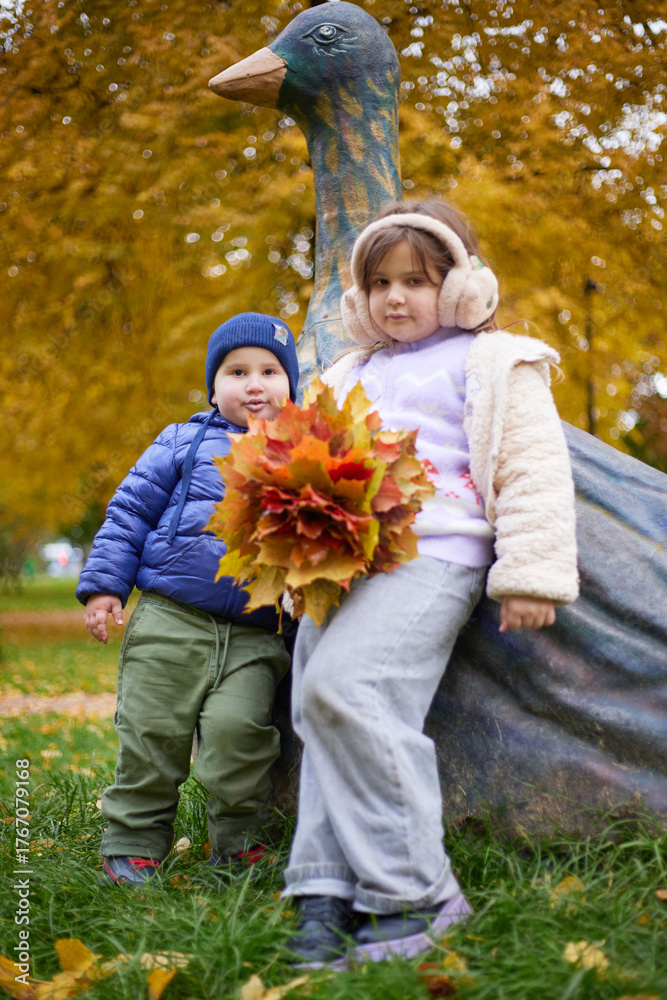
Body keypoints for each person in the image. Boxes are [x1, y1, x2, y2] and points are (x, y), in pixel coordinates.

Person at [284, 200, 579, 966]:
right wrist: (290, 562)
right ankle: (324, 889)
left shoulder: (492, 360)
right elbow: (301, 472)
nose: (394, 298)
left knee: (345, 692)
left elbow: (532, 467)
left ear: (458, 287)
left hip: (434, 553)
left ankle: (419, 894)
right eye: (378, 282)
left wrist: (531, 573)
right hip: (343, 563)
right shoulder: (349, 371)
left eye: (415, 280)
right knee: (318, 708)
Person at [76, 313, 300, 885]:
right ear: (213, 385)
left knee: (240, 739)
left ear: (291, 386)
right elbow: (129, 512)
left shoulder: (303, 458)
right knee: (153, 735)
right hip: (169, 620)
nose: (255, 384)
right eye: (236, 371)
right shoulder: (183, 440)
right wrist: (105, 586)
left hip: (255, 633)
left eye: (270, 371)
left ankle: (239, 842)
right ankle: (132, 842)